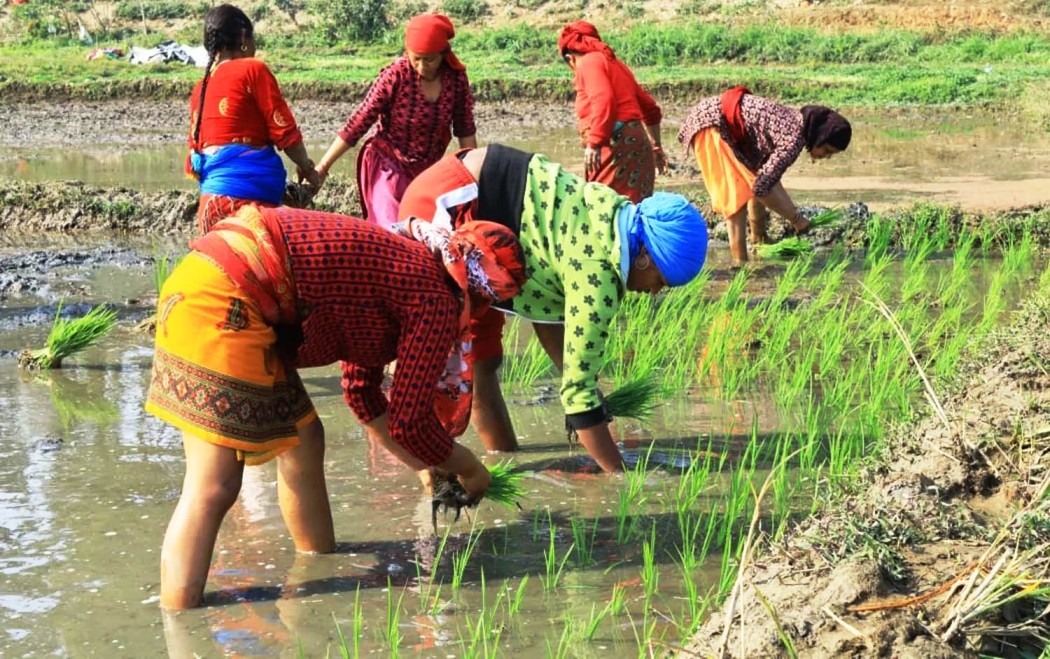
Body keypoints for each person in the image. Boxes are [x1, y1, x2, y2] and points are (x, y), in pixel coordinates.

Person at [146, 204, 525, 609]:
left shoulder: (406, 262)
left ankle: (316, 563)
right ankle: (181, 620)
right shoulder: (435, 297)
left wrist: (424, 466)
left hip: (209, 277)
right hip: (229, 298)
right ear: (478, 293)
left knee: (305, 437)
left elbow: (361, 391)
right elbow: (410, 423)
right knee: (214, 484)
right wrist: (470, 469)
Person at [396, 144, 709, 472]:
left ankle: (506, 466)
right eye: (660, 281)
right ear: (645, 256)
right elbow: (577, 399)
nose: (654, 293)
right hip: (449, 209)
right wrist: (620, 478)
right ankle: (437, 477)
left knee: (484, 361)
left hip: (468, 197)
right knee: (446, 374)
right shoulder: (599, 275)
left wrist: (579, 380)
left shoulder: (607, 215)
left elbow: (548, 314)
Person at [314, 14, 477, 229]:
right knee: (392, 230)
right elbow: (359, 121)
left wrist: (475, 181)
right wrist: (323, 167)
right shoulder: (396, 76)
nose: (421, 66)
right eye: (416, 58)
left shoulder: (455, 79)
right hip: (387, 164)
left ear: (443, 54)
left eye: (429, 60)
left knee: (427, 233)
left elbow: (465, 129)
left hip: (427, 172)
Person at [677, 87, 852, 266]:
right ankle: (740, 264)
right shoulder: (792, 141)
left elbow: (767, 180)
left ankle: (758, 239)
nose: (826, 156)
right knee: (735, 198)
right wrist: (796, 220)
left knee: (755, 181)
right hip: (713, 124)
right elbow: (762, 190)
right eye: (827, 150)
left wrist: (794, 214)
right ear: (820, 135)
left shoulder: (795, 124)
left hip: (717, 119)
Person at [186, 4, 321, 234]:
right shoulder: (253, 70)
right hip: (247, 203)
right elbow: (285, 133)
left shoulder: (201, 87)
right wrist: (308, 169)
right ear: (243, 38)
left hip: (209, 208)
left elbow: (195, 161)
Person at [557, 20, 665, 204]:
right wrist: (656, 146)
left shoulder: (587, 63)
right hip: (638, 145)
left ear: (570, 58)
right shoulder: (616, 64)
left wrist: (595, 142)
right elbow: (651, 109)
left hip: (614, 148)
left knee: (603, 209)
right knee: (635, 210)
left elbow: (603, 98)